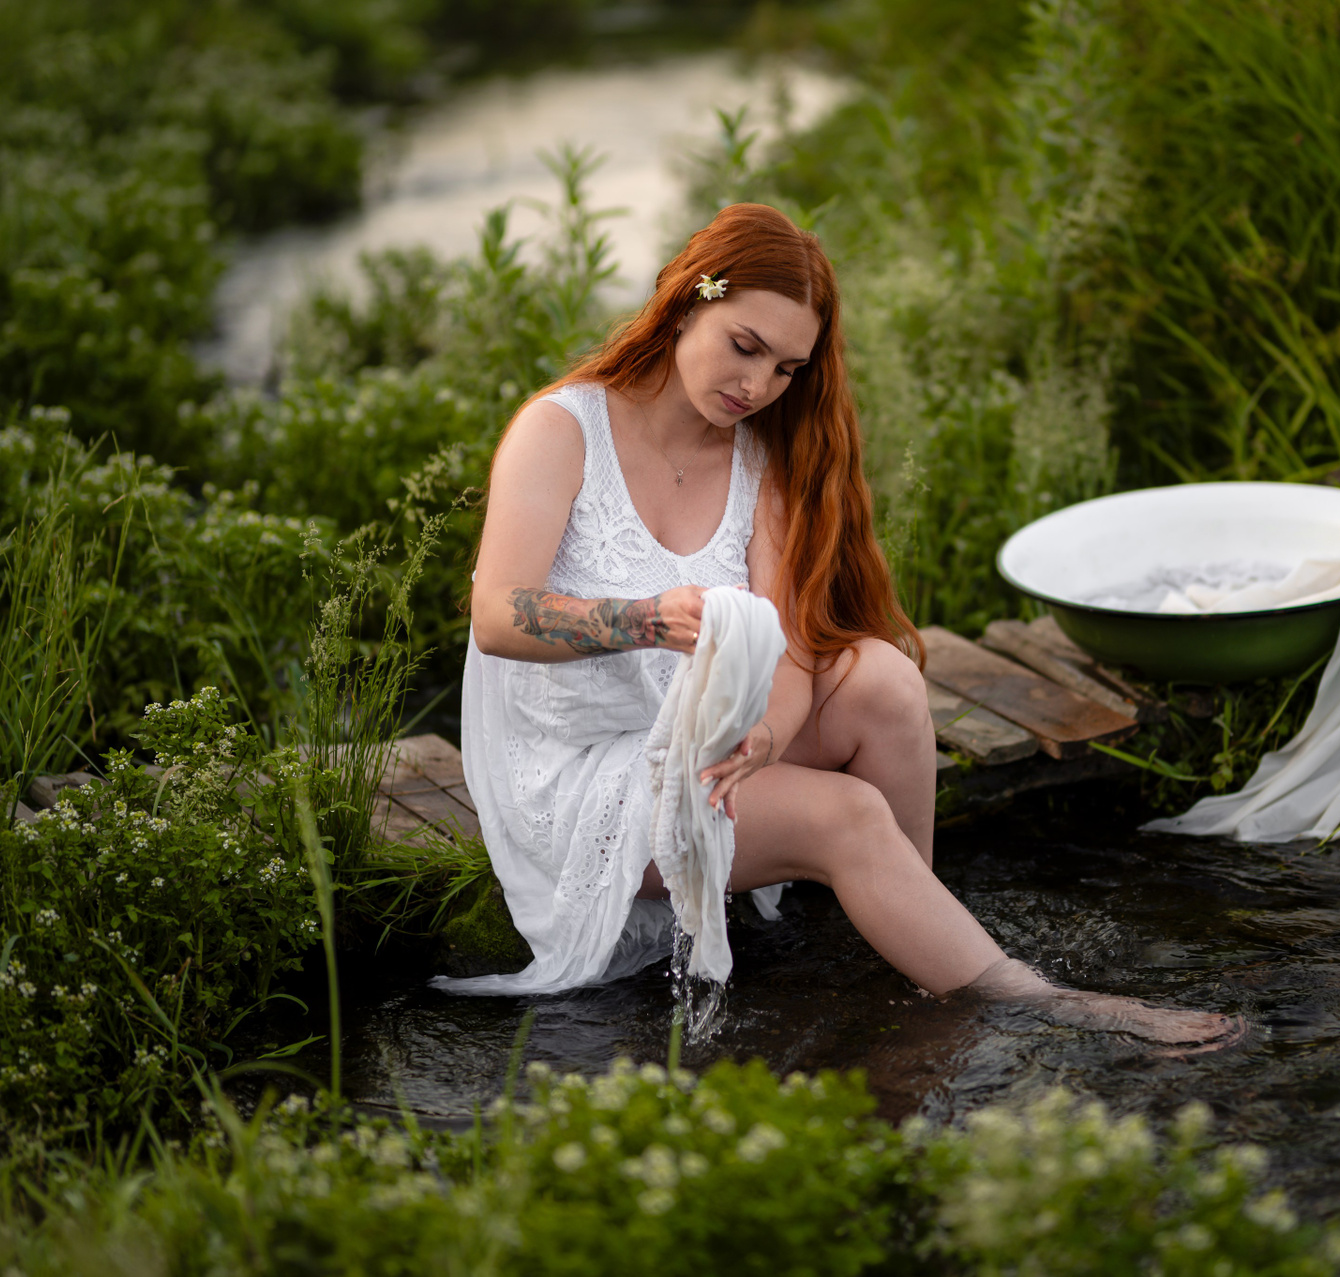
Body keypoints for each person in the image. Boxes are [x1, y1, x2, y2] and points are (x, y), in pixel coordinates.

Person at [452, 202, 1241, 1045]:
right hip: (580, 775)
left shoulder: (757, 458)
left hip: (696, 740)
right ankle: (1041, 1001)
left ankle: (911, 931)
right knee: (847, 814)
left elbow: (792, 649)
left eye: (786, 368)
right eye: (744, 345)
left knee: (886, 680)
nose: (757, 386)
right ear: (685, 303)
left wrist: (769, 734)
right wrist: (644, 618)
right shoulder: (563, 430)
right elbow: (498, 615)